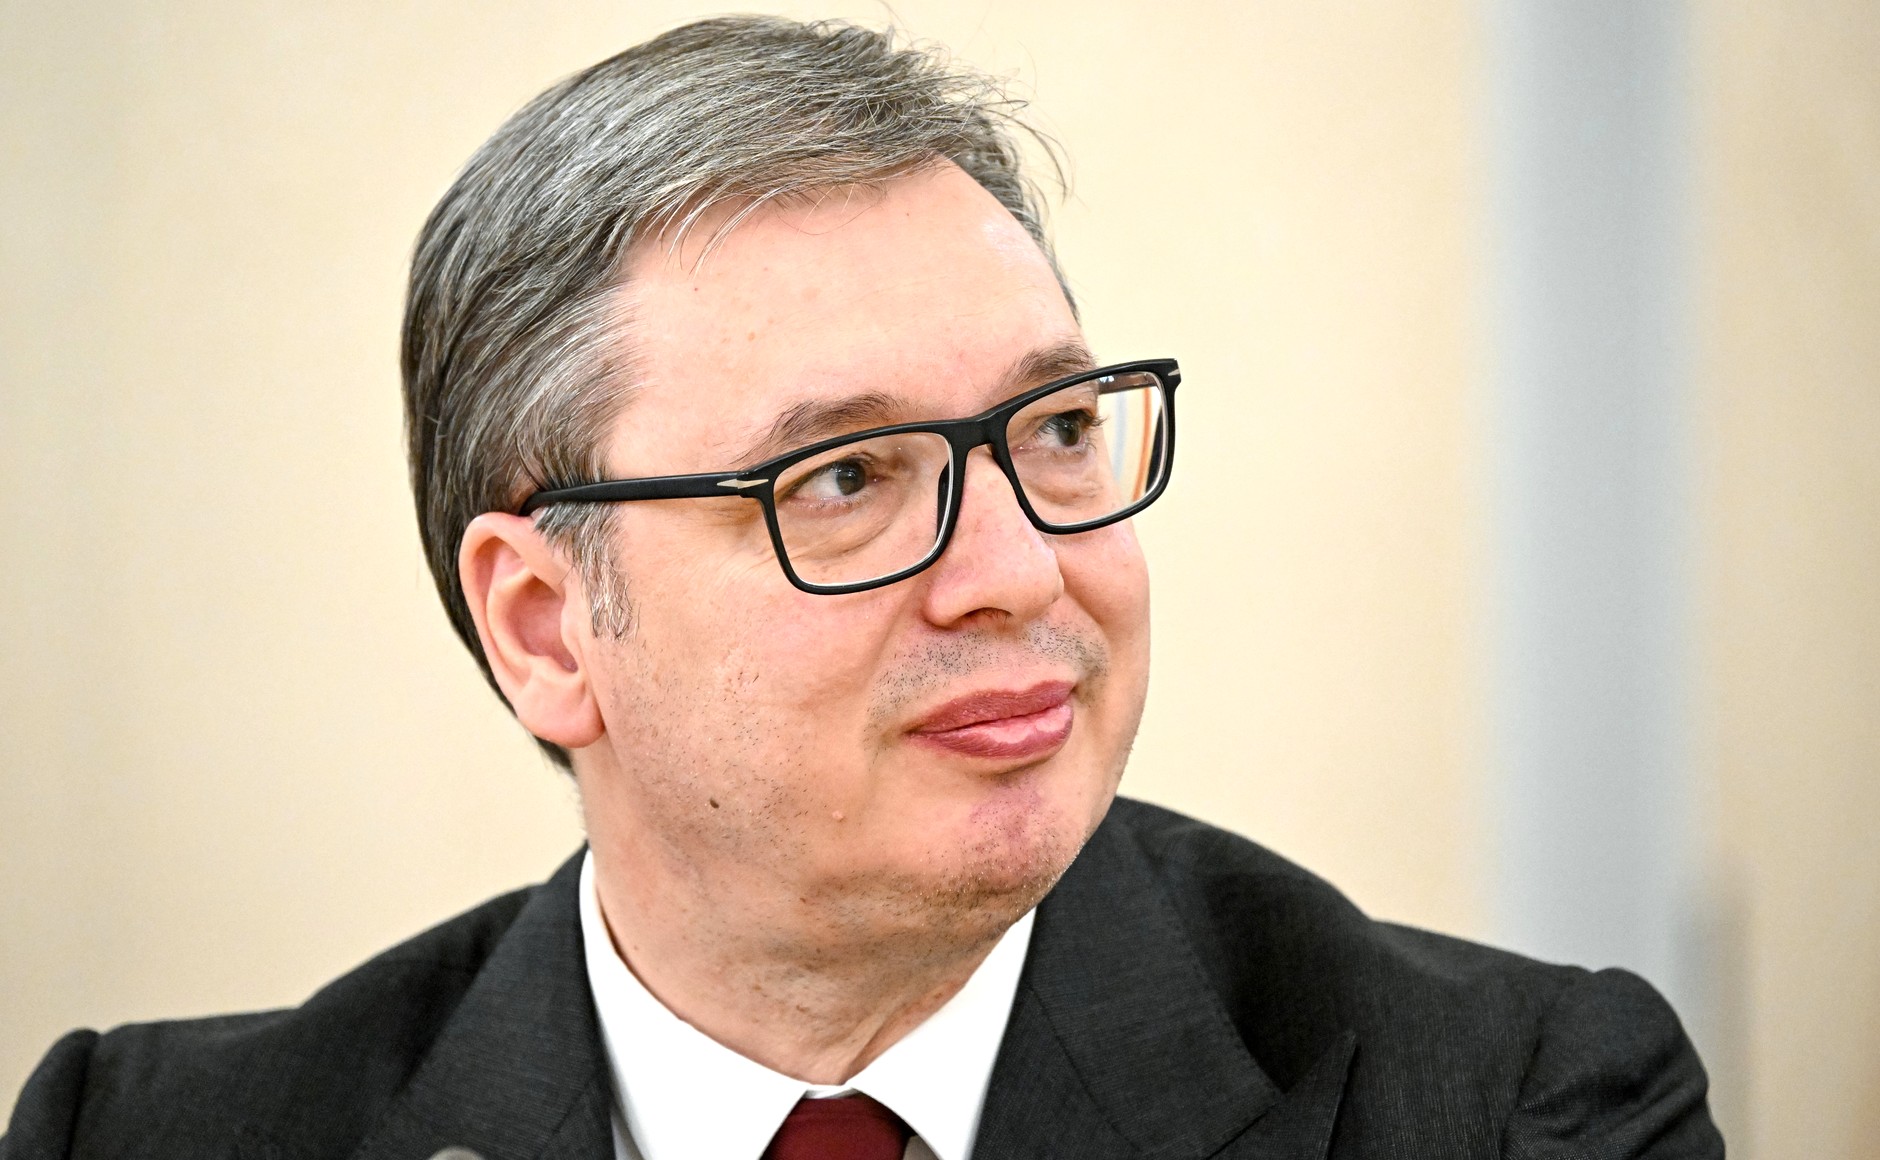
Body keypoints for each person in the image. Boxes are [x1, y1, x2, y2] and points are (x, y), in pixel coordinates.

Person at [2, 16, 1722, 1160]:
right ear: (545, 627)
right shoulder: (143, 1137)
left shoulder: (1514, 1106)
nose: (1019, 573)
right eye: (843, 478)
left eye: (1055, 431)